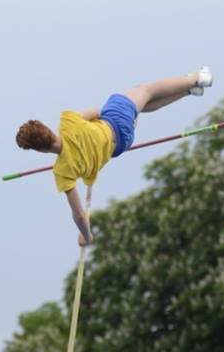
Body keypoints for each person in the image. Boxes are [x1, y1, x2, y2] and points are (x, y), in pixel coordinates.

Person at [15, 67, 213, 245]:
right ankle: (197, 77)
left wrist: (87, 236)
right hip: (116, 122)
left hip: (122, 144)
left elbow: (79, 215)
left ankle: (190, 91)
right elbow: (98, 111)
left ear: (39, 150)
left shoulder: (62, 172)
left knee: (140, 105)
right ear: (46, 129)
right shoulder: (68, 122)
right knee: (144, 90)